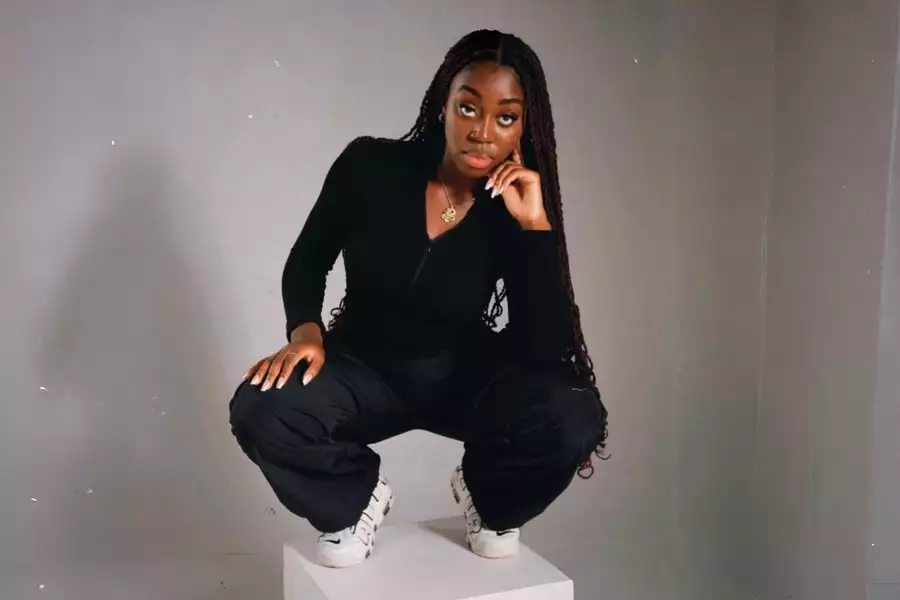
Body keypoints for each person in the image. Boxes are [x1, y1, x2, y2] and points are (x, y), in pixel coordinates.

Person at [228, 29, 609, 569]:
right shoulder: (370, 167)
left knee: (573, 413)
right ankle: (355, 500)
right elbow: (308, 259)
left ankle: (490, 498)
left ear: (525, 126)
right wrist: (307, 336)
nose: (482, 132)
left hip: (463, 376)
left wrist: (535, 226)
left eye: (505, 117)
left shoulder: (514, 206)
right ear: (443, 105)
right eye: (468, 108)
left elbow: (543, 349)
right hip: (363, 367)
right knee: (261, 406)